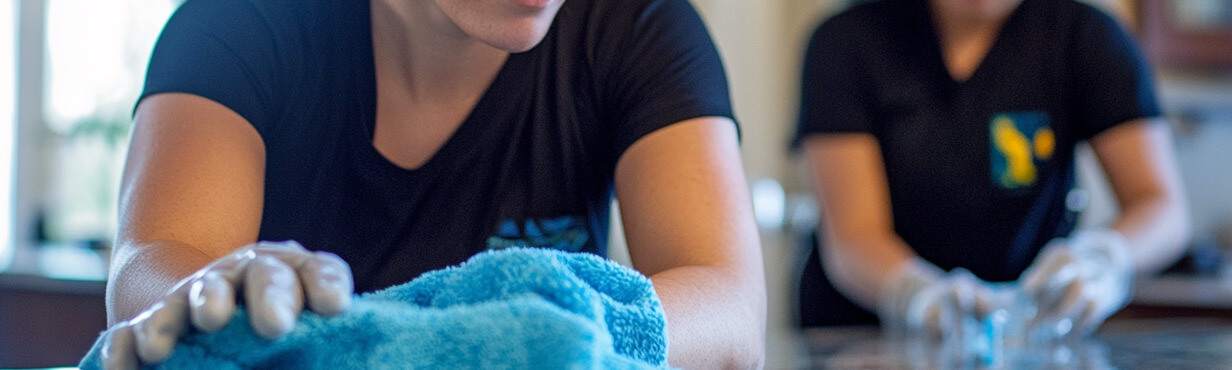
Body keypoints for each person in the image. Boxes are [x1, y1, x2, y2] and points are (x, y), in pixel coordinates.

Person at [98, 0, 767, 368]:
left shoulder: (640, 24)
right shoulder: (237, 23)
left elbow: (732, 312)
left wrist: (551, 339)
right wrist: (214, 292)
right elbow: (152, 265)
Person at [793, 0, 1190, 339]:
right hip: (869, 335)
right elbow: (854, 236)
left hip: (1029, 331)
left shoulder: (1084, 36)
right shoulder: (847, 41)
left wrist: (1105, 257)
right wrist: (915, 293)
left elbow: (1161, 207)